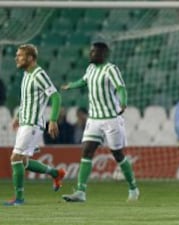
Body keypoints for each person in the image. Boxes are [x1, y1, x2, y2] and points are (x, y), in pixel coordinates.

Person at [61, 42, 139, 202]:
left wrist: (123, 102)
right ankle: (81, 192)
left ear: (103, 54)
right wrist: (71, 85)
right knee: (87, 151)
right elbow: (84, 81)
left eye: (94, 52)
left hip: (111, 118)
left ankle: (133, 187)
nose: (90, 54)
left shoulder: (111, 69)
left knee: (117, 154)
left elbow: (121, 87)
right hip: (94, 119)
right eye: (90, 51)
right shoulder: (90, 69)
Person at [4, 44, 66, 206]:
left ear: (30, 58)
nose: (16, 58)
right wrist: (18, 115)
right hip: (25, 121)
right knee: (23, 161)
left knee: (15, 158)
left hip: (32, 123)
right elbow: (27, 100)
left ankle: (19, 198)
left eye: (20, 55)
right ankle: (55, 173)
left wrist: (52, 119)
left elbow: (56, 96)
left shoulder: (39, 74)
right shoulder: (26, 74)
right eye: (16, 55)